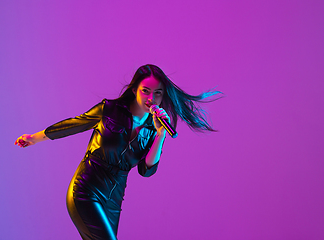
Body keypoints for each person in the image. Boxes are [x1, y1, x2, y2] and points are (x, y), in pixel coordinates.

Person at [14, 64, 221, 240]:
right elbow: (73, 125)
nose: (151, 97)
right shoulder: (109, 110)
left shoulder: (153, 128)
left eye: (158, 93)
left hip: (113, 201)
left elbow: (146, 170)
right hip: (86, 189)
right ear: (134, 89)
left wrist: (160, 135)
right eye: (146, 90)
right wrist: (33, 138)